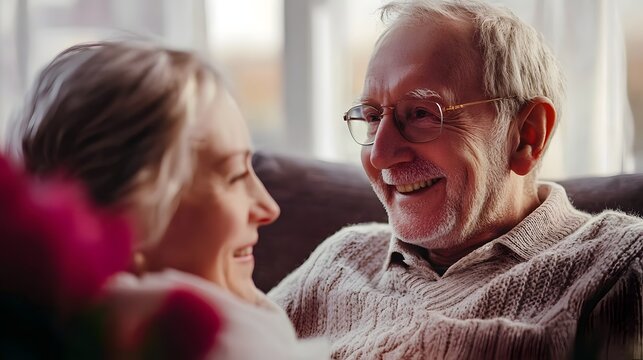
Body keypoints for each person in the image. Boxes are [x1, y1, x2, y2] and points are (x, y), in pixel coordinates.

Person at [268, 0, 643, 358]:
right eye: (370, 116)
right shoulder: (340, 259)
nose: (380, 154)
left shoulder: (618, 266)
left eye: (420, 113)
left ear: (527, 135)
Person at [8, 40, 327, 359]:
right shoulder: (225, 342)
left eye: (250, 170)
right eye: (234, 176)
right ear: (129, 217)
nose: (268, 207)